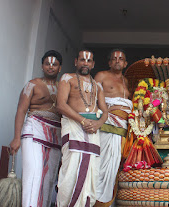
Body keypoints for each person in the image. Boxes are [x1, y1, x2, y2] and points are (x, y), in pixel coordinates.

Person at [9, 50, 63, 207]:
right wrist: (16, 137)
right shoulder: (33, 84)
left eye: (54, 64)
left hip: (56, 134)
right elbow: (21, 110)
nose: (50, 67)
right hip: (34, 130)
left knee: (48, 179)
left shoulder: (64, 88)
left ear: (60, 68)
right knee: (34, 175)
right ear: (42, 66)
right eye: (47, 64)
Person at [56, 49, 108, 207]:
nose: (85, 63)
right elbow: (61, 105)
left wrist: (98, 124)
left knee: (91, 170)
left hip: (93, 129)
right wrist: (83, 121)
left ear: (93, 64)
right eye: (82, 60)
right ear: (75, 62)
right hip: (73, 127)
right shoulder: (67, 78)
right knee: (70, 170)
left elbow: (105, 111)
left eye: (89, 60)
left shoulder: (97, 85)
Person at [94, 49, 133, 205]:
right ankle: (95, 200)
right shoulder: (101, 76)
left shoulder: (126, 81)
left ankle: (107, 203)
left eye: (121, 58)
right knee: (101, 164)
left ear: (125, 63)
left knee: (116, 165)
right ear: (109, 62)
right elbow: (92, 98)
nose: (117, 61)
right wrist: (105, 112)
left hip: (122, 127)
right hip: (106, 124)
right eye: (114, 58)